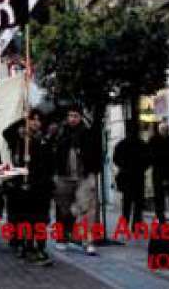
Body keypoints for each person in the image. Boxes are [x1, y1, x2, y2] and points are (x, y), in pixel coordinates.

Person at [3, 108, 53, 265]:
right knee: (25, 218)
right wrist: (21, 118)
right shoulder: (19, 140)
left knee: (40, 219)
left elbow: (48, 164)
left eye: (39, 120)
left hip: (40, 187)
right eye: (32, 119)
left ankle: (41, 248)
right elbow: (6, 132)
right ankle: (26, 246)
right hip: (22, 187)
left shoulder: (44, 140)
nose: (36, 123)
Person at [53, 105, 102, 256]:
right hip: (64, 176)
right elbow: (55, 153)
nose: (72, 119)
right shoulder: (61, 133)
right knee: (63, 209)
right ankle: (63, 237)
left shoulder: (88, 133)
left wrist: (94, 171)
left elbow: (96, 152)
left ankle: (88, 242)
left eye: (75, 116)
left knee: (87, 210)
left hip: (83, 177)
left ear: (80, 117)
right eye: (70, 116)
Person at [113, 129, 150, 231]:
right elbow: (148, 159)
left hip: (126, 176)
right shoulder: (142, 144)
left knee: (127, 202)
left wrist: (123, 167)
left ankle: (125, 224)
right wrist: (142, 168)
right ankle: (136, 225)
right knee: (138, 203)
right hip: (138, 176)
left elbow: (115, 159)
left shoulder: (121, 144)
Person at [148, 120, 169, 222]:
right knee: (160, 199)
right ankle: (161, 219)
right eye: (163, 129)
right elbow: (151, 157)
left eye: (167, 129)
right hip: (159, 174)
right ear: (159, 130)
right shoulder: (154, 141)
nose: (165, 131)